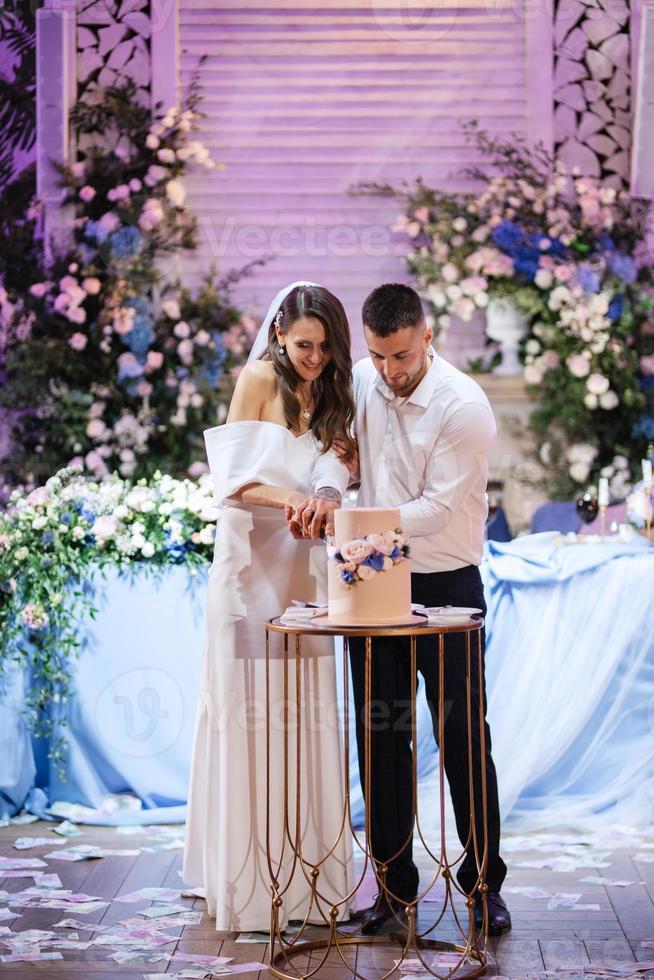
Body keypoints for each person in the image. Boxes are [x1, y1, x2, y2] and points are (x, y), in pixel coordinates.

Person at [183, 282, 356, 932]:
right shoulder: (258, 378)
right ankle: (250, 885)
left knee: (304, 710)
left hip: (303, 568)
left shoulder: (335, 389)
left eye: (325, 347)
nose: (315, 359)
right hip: (249, 569)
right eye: (304, 345)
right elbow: (230, 482)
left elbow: (344, 463)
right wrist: (296, 503)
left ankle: (310, 879)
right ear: (281, 335)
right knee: (250, 714)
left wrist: (328, 496)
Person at [347, 283, 510, 937]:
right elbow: (342, 453)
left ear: (428, 335)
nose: (391, 371)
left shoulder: (464, 404)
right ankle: (392, 889)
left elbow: (440, 509)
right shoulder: (362, 378)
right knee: (380, 737)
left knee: (462, 737)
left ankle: (483, 884)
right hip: (374, 575)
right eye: (380, 357)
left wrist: (349, 529)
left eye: (403, 356)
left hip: (446, 581)